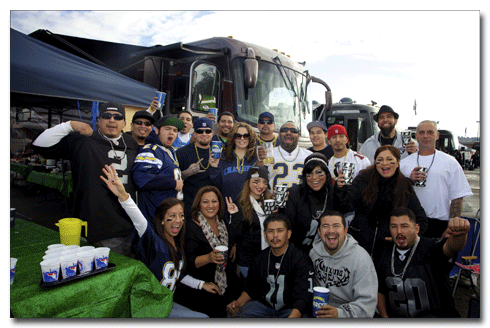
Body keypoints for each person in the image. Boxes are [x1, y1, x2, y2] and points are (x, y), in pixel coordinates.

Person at [100, 164, 218, 318]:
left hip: (165, 302)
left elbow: (177, 274)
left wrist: (201, 284)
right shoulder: (154, 243)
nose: (178, 220)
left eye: (181, 215)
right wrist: (124, 196)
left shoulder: (177, 243)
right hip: (150, 308)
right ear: (162, 220)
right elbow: (140, 222)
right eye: (172, 215)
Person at [31, 101, 138, 257]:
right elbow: (38, 144)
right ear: (98, 120)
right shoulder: (83, 139)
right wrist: (69, 125)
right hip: (93, 225)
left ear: (124, 122)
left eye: (117, 117)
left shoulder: (131, 143)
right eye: (106, 116)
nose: (112, 120)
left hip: (127, 226)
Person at [335, 145, 428, 262]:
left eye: (390, 160)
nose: (385, 163)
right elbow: (345, 206)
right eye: (380, 160)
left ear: (397, 163)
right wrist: (340, 189)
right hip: (359, 245)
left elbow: (420, 219)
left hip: (388, 252)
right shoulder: (363, 179)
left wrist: (405, 238)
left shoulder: (404, 186)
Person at [377, 207, 470, 318]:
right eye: (394, 227)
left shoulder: (431, 248)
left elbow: (452, 247)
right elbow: (380, 290)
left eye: (404, 226)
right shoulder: (385, 252)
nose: (399, 232)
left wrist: (460, 233)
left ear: (417, 229)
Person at [226, 213, 314, 318]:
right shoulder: (260, 258)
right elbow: (250, 288)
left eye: (280, 231)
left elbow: (303, 297)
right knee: (234, 315)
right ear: (265, 235)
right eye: (270, 231)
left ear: (289, 234)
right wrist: (238, 304)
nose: (275, 235)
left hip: (290, 309)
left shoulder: (301, 259)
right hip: (263, 307)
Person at [175, 186, 242, 317]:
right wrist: (209, 258)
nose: (210, 205)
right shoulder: (190, 227)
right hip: (202, 287)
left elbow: (235, 236)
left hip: (226, 280)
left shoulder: (222, 222)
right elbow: (188, 263)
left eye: (214, 201)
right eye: (205, 202)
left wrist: (233, 244)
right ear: (198, 204)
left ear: (219, 203)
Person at [399, 120, 473, 238]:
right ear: (416, 136)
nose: (425, 136)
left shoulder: (450, 162)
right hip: (411, 223)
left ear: (437, 135)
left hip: (440, 224)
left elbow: (457, 197)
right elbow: (396, 193)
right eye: (422, 132)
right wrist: (408, 180)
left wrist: (451, 227)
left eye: (430, 132)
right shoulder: (403, 163)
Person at [310, 210, 378, 318]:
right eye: (325, 226)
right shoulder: (313, 254)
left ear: (346, 230)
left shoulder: (361, 259)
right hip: (317, 312)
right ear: (319, 231)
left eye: (336, 226)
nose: (331, 231)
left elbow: (367, 305)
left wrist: (339, 314)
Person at [132, 116, 185, 222]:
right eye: (167, 129)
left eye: (175, 130)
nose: (171, 133)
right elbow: (142, 178)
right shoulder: (151, 150)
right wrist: (173, 183)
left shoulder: (169, 151)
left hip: (168, 215)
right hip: (155, 216)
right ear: (156, 130)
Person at [226, 166, 275, 278]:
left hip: (268, 257)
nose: (261, 186)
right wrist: (235, 216)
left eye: (264, 182)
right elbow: (234, 235)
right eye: (256, 181)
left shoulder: (269, 201)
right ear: (248, 182)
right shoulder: (240, 203)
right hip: (248, 259)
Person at [284, 153, 336, 254]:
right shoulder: (294, 193)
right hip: (296, 252)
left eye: (319, 173)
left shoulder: (333, 194)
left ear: (326, 174)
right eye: (309, 174)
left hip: (326, 253)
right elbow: (287, 226)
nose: (314, 178)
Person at [209, 122, 258, 202]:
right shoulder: (223, 158)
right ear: (233, 138)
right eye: (238, 136)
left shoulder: (255, 159)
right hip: (228, 208)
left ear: (250, 138)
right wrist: (214, 167)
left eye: (246, 136)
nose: (242, 139)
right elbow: (216, 186)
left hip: (251, 208)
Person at [176, 117, 214, 220]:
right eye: (200, 131)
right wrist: (187, 173)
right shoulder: (181, 153)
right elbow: (173, 180)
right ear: (194, 134)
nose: (204, 134)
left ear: (212, 133)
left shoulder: (218, 152)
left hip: (213, 207)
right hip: (190, 207)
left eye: (207, 131)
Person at [270, 121, 312, 188]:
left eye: (293, 130)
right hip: (275, 198)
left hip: (301, 198)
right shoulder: (268, 154)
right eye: (284, 130)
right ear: (279, 135)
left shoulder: (309, 155)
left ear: (298, 136)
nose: (288, 133)